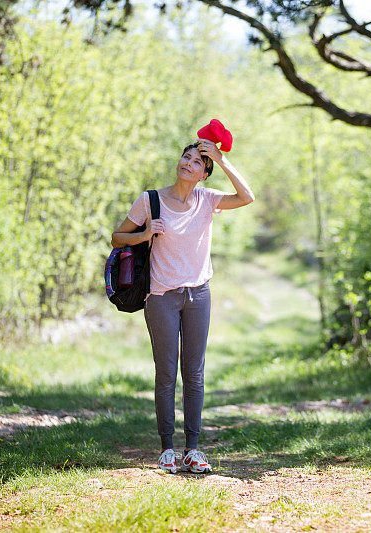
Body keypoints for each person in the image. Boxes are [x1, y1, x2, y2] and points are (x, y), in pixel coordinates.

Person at [111, 135, 255, 474]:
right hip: (161, 297)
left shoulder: (208, 200)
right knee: (166, 374)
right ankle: (167, 449)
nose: (188, 164)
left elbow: (247, 196)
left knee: (194, 374)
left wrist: (219, 159)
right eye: (186, 158)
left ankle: (193, 448)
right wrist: (144, 234)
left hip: (199, 296)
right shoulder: (150, 201)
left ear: (204, 174)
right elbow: (118, 238)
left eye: (197, 163)